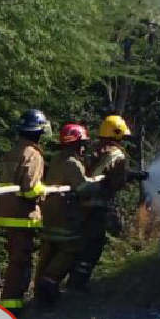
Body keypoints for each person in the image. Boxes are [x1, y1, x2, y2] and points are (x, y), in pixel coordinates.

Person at [69, 114, 148, 291]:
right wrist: (126, 177)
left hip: (79, 204)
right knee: (94, 245)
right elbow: (103, 176)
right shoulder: (115, 153)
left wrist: (131, 174)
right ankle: (78, 284)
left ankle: (72, 280)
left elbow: (103, 171)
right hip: (96, 205)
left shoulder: (95, 148)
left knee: (81, 243)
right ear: (117, 133)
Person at [34, 124, 101, 306]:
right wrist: (99, 184)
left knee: (49, 251)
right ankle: (50, 280)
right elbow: (83, 189)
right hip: (64, 214)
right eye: (82, 144)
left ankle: (40, 293)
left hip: (48, 213)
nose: (84, 148)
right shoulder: (73, 163)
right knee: (73, 247)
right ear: (76, 144)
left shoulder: (57, 158)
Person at [0, 109, 50, 314]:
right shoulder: (33, 155)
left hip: (6, 214)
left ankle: (12, 305)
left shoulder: (11, 152)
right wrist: (43, 191)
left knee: (15, 261)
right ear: (38, 132)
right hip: (22, 217)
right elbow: (30, 189)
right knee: (20, 263)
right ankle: (13, 308)